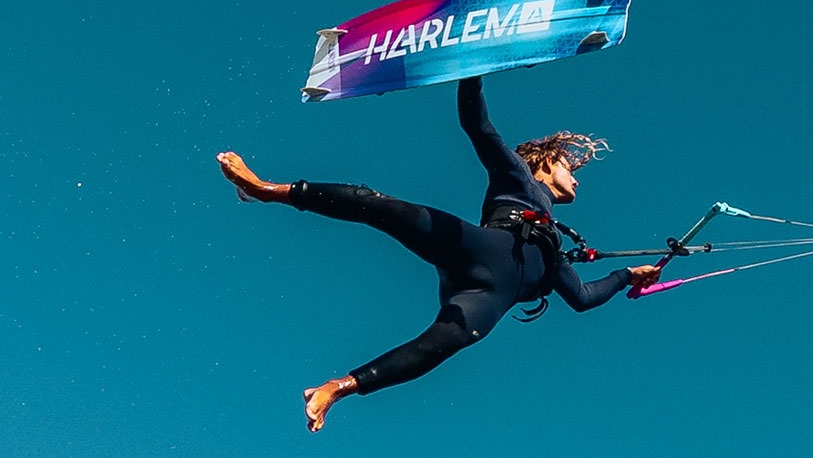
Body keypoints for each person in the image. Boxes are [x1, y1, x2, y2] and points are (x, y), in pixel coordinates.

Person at [217, 79, 662, 428]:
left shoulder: (556, 253)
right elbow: (478, 126)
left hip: (489, 297)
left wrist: (628, 276)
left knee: (439, 345)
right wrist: (472, 73)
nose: (577, 180)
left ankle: (337, 388)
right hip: (478, 248)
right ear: (544, 161)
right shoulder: (517, 179)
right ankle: (268, 190)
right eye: (570, 167)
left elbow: (582, 298)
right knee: (383, 207)